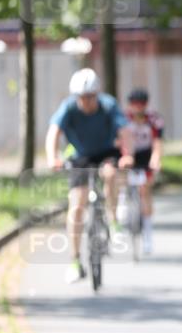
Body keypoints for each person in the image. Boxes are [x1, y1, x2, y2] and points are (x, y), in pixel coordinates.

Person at [46, 68, 134, 283]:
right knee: (76, 206)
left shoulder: (108, 105)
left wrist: (127, 155)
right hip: (80, 155)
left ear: (97, 94)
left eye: (90, 97)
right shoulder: (68, 108)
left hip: (106, 151)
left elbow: (125, 132)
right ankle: (75, 261)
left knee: (111, 174)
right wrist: (52, 157)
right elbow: (54, 132)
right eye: (82, 98)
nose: (86, 102)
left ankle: (113, 222)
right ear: (76, 97)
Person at [120, 88, 163, 254]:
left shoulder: (154, 119)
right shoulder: (123, 119)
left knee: (145, 190)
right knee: (120, 174)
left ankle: (147, 234)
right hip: (127, 152)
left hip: (146, 154)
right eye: (134, 104)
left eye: (141, 104)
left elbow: (158, 143)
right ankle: (122, 201)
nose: (138, 108)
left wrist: (156, 159)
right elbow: (117, 139)